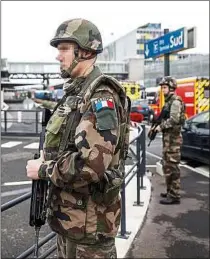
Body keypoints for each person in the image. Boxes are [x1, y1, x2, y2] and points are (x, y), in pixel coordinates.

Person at [26, 18, 130, 258]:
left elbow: (91, 166)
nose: (58, 56)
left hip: (89, 229)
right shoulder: (80, 92)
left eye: (63, 49)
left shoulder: (100, 97)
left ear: (84, 51)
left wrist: (43, 169)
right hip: (75, 221)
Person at [150, 76, 185, 205]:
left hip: (173, 140)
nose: (162, 90)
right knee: (167, 166)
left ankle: (174, 195)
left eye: (164, 87)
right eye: (162, 87)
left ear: (171, 88)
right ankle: (170, 190)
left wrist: (161, 127)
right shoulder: (169, 101)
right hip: (168, 139)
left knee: (173, 167)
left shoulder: (175, 101)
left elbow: (174, 120)